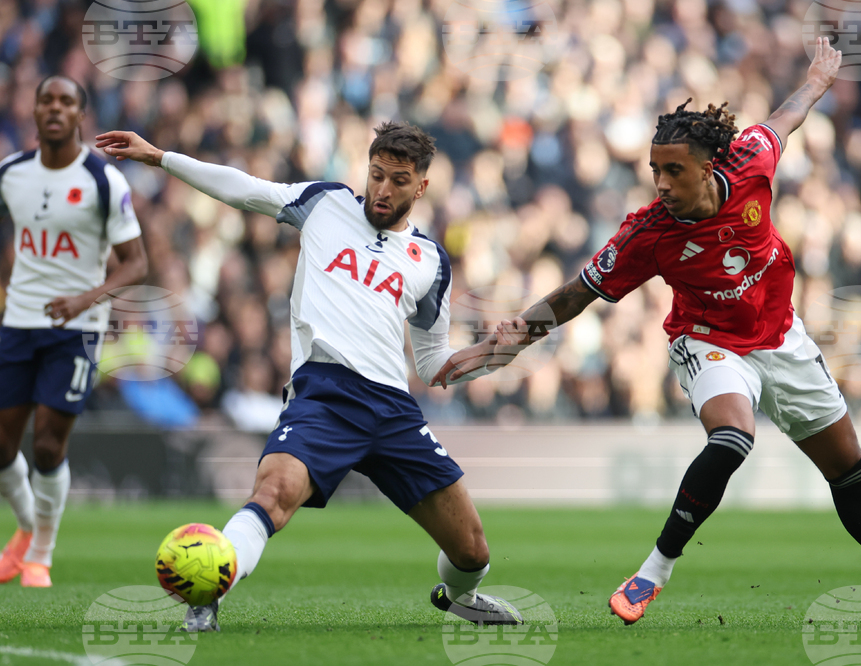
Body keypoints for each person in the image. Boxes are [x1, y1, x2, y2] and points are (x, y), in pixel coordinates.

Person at [436, 38, 861, 627]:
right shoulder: (647, 235)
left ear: (709, 167)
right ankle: (653, 572)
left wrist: (820, 80)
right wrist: (499, 348)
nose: (662, 184)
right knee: (733, 438)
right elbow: (574, 295)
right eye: (655, 170)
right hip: (708, 340)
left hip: (781, 338)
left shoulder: (750, 162)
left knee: (849, 469)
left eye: (673, 170)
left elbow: (785, 118)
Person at [95, 121, 524, 631]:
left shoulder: (430, 261)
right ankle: (208, 588)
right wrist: (161, 157)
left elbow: (432, 364)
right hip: (325, 395)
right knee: (272, 495)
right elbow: (245, 189)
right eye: (377, 174)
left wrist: (491, 354)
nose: (383, 189)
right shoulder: (326, 203)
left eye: (399, 180)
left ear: (422, 186)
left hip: (393, 410)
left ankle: (460, 597)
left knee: (473, 551)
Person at [0, 75, 148, 587]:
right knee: (1, 447)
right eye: (47, 100)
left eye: (66, 101)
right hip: (19, 321)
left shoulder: (104, 181)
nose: (56, 109)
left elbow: (136, 264)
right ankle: (24, 531)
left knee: (46, 446)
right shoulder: (11, 174)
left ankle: (40, 552)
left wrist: (85, 299)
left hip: (78, 326)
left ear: (81, 115)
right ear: (35, 112)